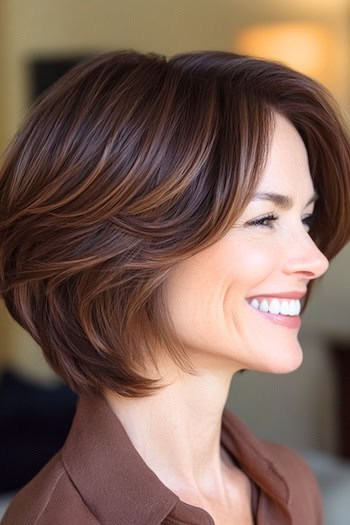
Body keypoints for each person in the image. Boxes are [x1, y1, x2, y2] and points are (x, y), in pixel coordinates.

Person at [0, 49, 349, 525]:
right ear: (123, 249)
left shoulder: (292, 485)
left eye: (306, 219)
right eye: (265, 218)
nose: (313, 259)